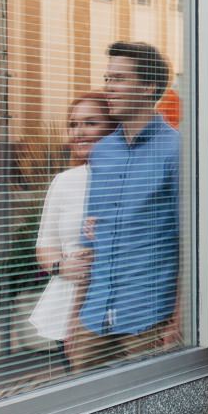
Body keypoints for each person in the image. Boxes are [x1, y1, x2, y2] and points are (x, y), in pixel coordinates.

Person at [77, 42, 182, 365]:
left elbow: (190, 246)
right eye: (107, 78)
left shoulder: (177, 150)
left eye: (119, 79)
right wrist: (74, 317)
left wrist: (180, 321)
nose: (108, 88)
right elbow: (89, 242)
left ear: (148, 86)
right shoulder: (101, 153)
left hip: (148, 319)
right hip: (94, 317)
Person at [31, 93, 114, 371]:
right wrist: (60, 266)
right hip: (67, 307)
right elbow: (45, 243)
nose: (79, 132)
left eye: (90, 123)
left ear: (112, 127)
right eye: (73, 124)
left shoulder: (129, 176)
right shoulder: (64, 182)